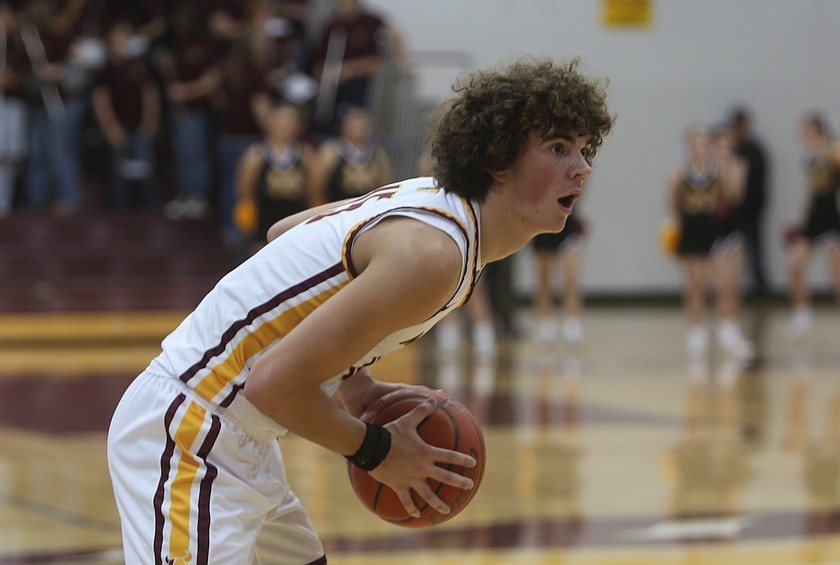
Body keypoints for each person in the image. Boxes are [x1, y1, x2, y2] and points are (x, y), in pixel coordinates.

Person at [107, 56, 613, 564]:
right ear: (498, 162)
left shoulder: (436, 208)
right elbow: (272, 384)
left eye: (584, 149)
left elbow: (287, 232)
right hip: (190, 430)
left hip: (239, 437)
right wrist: (379, 450)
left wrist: (356, 384)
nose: (582, 167)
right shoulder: (434, 254)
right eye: (557, 148)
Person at [668, 125, 748, 357]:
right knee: (693, 285)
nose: (700, 148)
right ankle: (696, 333)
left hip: (714, 233)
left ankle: (727, 330)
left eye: (703, 143)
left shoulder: (719, 169)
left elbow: (732, 196)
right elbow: (673, 203)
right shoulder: (679, 172)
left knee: (724, 284)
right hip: (690, 230)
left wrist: (727, 165)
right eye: (695, 143)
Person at [90, 19, 160, 210]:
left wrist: (150, 120)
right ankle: (118, 212)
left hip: (140, 127)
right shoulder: (105, 70)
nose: (121, 43)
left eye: (125, 38)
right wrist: (110, 127)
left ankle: (147, 211)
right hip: (118, 128)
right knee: (118, 174)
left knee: (144, 170)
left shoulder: (140, 66)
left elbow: (150, 93)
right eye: (117, 39)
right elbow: (100, 100)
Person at [233, 103, 317, 255]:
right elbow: (245, 193)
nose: (283, 125)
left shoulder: (305, 154)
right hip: (263, 223)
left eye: (289, 120)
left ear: (298, 126)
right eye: (279, 120)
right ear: (269, 123)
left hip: (295, 222)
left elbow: (313, 191)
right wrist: (251, 228)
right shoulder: (255, 155)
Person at [786, 113, 840, 337]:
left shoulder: (833, 150)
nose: (803, 134)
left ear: (818, 130)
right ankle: (802, 313)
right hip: (813, 220)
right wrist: (803, 218)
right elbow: (812, 190)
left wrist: (827, 146)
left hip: (832, 219)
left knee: (837, 277)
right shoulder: (808, 156)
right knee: (795, 266)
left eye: (807, 129)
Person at [729, 108, 770, 298]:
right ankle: (732, 288)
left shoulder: (755, 150)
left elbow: (762, 179)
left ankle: (760, 288)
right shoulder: (731, 150)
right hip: (733, 211)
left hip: (752, 208)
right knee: (731, 249)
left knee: (756, 249)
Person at [531, 210, 587, 346]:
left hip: (566, 221)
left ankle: (572, 323)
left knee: (570, 276)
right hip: (541, 221)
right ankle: (545, 324)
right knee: (543, 276)